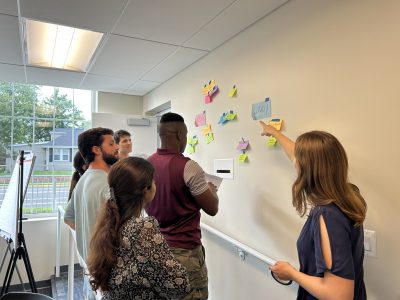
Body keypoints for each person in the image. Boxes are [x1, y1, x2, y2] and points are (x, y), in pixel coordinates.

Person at [259, 121, 367, 300]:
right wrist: (275, 133)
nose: (294, 163)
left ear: (308, 169)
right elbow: (300, 156)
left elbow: (339, 295)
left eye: (298, 162)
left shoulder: (327, 215)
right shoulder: (349, 195)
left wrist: (291, 273)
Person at [87, 157, 191, 299]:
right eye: (153, 181)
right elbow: (179, 286)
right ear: (146, 190)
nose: (155, 184)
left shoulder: (110, 223)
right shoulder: (142, 228)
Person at [145, 112, 219, 300]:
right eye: (185, 135)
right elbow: (212, 208)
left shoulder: (147, 164)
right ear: (179, 134)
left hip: (156, 247)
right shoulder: (189, 167)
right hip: (184, 253)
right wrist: (211, 190)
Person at [64, 127, 119, 300]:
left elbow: (69, 218)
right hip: (107, 266)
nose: (117, 147)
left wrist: (89, 238)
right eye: (111, 144)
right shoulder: (107, 184)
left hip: (91, 263)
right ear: (96, 150)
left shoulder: (83, 179)